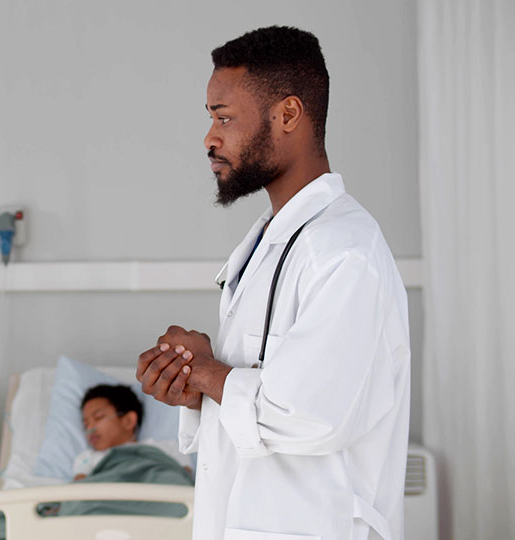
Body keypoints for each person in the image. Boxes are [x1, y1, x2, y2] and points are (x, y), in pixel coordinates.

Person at [136, 27, 410, 540]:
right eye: (210, 118)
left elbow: (312, 414)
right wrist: (194, 380)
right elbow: (260, 393)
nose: (209, 138)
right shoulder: (273, 241)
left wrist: (206, 372)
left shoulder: (344, 252)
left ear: (287, 115)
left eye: (223, 118)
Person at [74, 384, 191, 481]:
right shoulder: (87, 459)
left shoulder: (169, 449)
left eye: (98, 417)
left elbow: (184, 484)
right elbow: (78, 495)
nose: (90, 428)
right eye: (85, 424)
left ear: (128, 420)